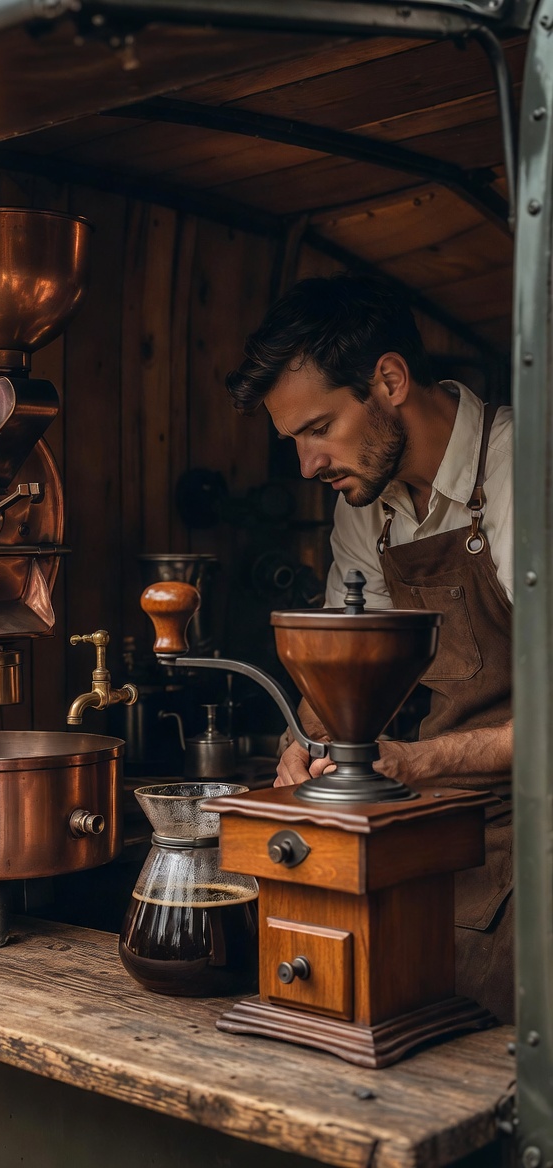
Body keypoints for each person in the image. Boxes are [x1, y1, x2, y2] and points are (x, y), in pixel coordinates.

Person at [225, 271, 513, 1023]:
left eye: (318, 429)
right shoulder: (368, 504)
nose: (307, 466)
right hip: (445, 826)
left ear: (389, 380)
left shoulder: (524, 477)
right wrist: (311, 736)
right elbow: (350, 672)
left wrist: (419, 761)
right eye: (294, 442)